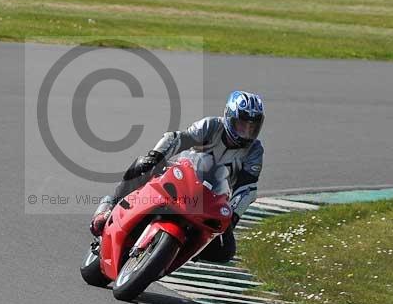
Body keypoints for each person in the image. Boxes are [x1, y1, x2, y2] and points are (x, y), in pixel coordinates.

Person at [89, 90, 265, 263]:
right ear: (228, 117)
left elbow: (247, 188)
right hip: (183, 177)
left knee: (225, 251)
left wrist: (233, 215)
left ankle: (181, 250)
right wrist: (156, 156)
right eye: (241, 124)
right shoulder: (211, 126)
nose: (246, 132)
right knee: (142, 164)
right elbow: (179, 138)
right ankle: (110, 206)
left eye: (252, 127)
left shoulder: (255, 151)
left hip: (213, 198)